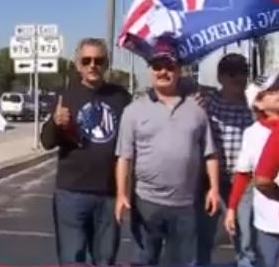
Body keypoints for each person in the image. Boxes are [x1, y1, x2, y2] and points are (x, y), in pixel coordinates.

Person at [115, 36, 220, 266]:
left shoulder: (197, 109)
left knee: (182, 262)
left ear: (179, 70)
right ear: (150, 70)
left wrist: (213, 189)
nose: (163, 72)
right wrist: (122, 194)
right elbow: (125, 157)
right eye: (157, 66)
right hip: (146, 202)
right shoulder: (133, 111)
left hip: (185, 205)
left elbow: (210, 154)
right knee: (144, 261)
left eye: (169, 66)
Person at [40, 38, 131, 265]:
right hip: (72, 193)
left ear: (106, 64)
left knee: (105, 259)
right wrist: (55, 122)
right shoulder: (65, 94)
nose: (93, 65)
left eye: (98, 60)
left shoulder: (120, 97)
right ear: (77, 64)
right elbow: (47, 142)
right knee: (72, 258)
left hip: (109, 194)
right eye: (86, 60)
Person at [196, 53, 256, 267]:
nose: (238, 77)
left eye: (243, 72)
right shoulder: (206, 103)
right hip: (212, 179)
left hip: (244, 180)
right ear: (220, 77)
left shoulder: (253, 107)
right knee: (205, 235)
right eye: (232, 73)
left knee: (245, 235)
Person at [225, 72, 279, 267]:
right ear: (258, 103)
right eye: (271, 92)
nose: (278, 93)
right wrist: (232, 208)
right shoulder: (252, 134)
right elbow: (243, 174)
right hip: (267, 220)